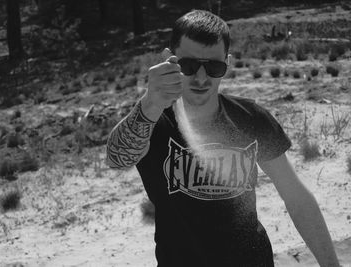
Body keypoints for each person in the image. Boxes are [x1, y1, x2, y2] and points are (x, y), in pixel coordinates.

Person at [106, 9, 340, 267]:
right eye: (189, 65)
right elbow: (117, 160)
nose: (201, 77)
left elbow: (296, 197)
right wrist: (150, 104)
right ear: (168, 59)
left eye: (213, 67)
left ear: (226, 64)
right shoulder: (153, 121)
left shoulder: (251, 118)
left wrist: (331, 264)